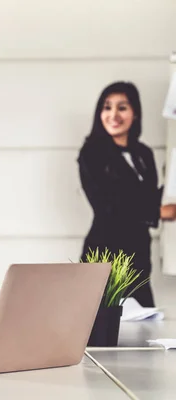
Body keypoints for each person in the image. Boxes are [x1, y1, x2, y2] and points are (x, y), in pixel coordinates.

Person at [78, 81, 176, 307]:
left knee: (144, 325)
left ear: (135, 114)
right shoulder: (92, 153)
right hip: (105, 255)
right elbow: (107, 206)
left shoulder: (143, 153)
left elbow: (148, 196)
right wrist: (159, 211)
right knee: (104, 329)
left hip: (139, 256)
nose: (113, 114)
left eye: (122, 107)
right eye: (107, 107)